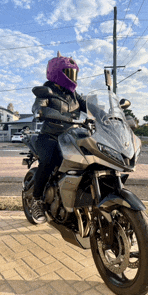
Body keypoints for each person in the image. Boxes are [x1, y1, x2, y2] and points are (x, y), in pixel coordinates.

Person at [31, 51, 86, 224]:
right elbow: (38, 107)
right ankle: (37, 200)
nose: (73, 77)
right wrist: (41, 111)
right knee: (48, 161)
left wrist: (108, 116)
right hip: (50, 136)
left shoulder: (75, 96)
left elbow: (91, 107)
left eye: (74, 73)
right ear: (56, 73)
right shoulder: (47, 90)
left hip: (71, 138)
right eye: (68, 73)